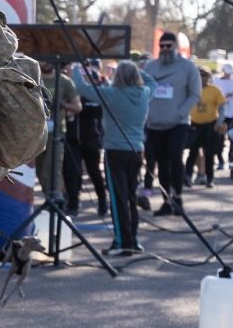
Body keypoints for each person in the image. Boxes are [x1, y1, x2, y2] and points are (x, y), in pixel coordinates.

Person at [72, 61, 156, 256]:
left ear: (118, 77)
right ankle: (133, 239)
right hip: (136, 150)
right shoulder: (144, 94)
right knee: (131, 196)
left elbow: (82, 87)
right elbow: (154, 83)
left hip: (115, 150)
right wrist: (138, 68)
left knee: (118, 198)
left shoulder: (111, 94)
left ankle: (121, 242)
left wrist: (76, 69)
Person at [144, 32, 201, 216]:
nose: (165, 49)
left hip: (178, 123)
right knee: (161, 164)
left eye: (169, 46)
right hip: (155, 124)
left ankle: (178, 197)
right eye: (162, 46)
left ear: (176, 47)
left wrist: (180, 112)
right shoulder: (150, 67)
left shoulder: (188, 67)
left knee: (175, 157)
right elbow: (142, 90)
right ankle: (167, 201)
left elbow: (195, 94)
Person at [63, 60, 107, 216]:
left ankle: (102, 200)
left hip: (91, 139)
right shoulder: (72, 91)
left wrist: (76, 107)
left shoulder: (96, 94)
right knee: (72, 172)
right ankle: (73, 203)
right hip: (73, 138)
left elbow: (92, 110)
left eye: (88, 79)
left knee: (94, 171)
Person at [36, 61, 81, 203]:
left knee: (54, 169)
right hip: (37, 133)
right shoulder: (33, 78)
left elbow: (78, 106)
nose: (46, 63)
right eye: (43, 59)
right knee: (41, 172)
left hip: (57, 133)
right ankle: (49, 196)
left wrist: (63, 105)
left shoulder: (64, 81)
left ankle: (56, 199)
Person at [184, 67, 227, 188]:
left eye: (204, 75)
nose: (201, 78)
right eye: (199, 75)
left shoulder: (214, 90)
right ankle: (187, 176)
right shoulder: (190, 89)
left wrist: (220, 121)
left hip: (210, 124)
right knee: (192, 152)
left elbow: (222, 106)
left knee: (209, 153)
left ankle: (209, 178)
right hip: (194, 124)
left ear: (208, 77)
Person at [215, 63, 233, 166]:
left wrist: (232, 94)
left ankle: (232, 158)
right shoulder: (216, 80)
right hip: (221, 114)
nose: (228, 76)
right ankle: (220, 159)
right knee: (219, 138)